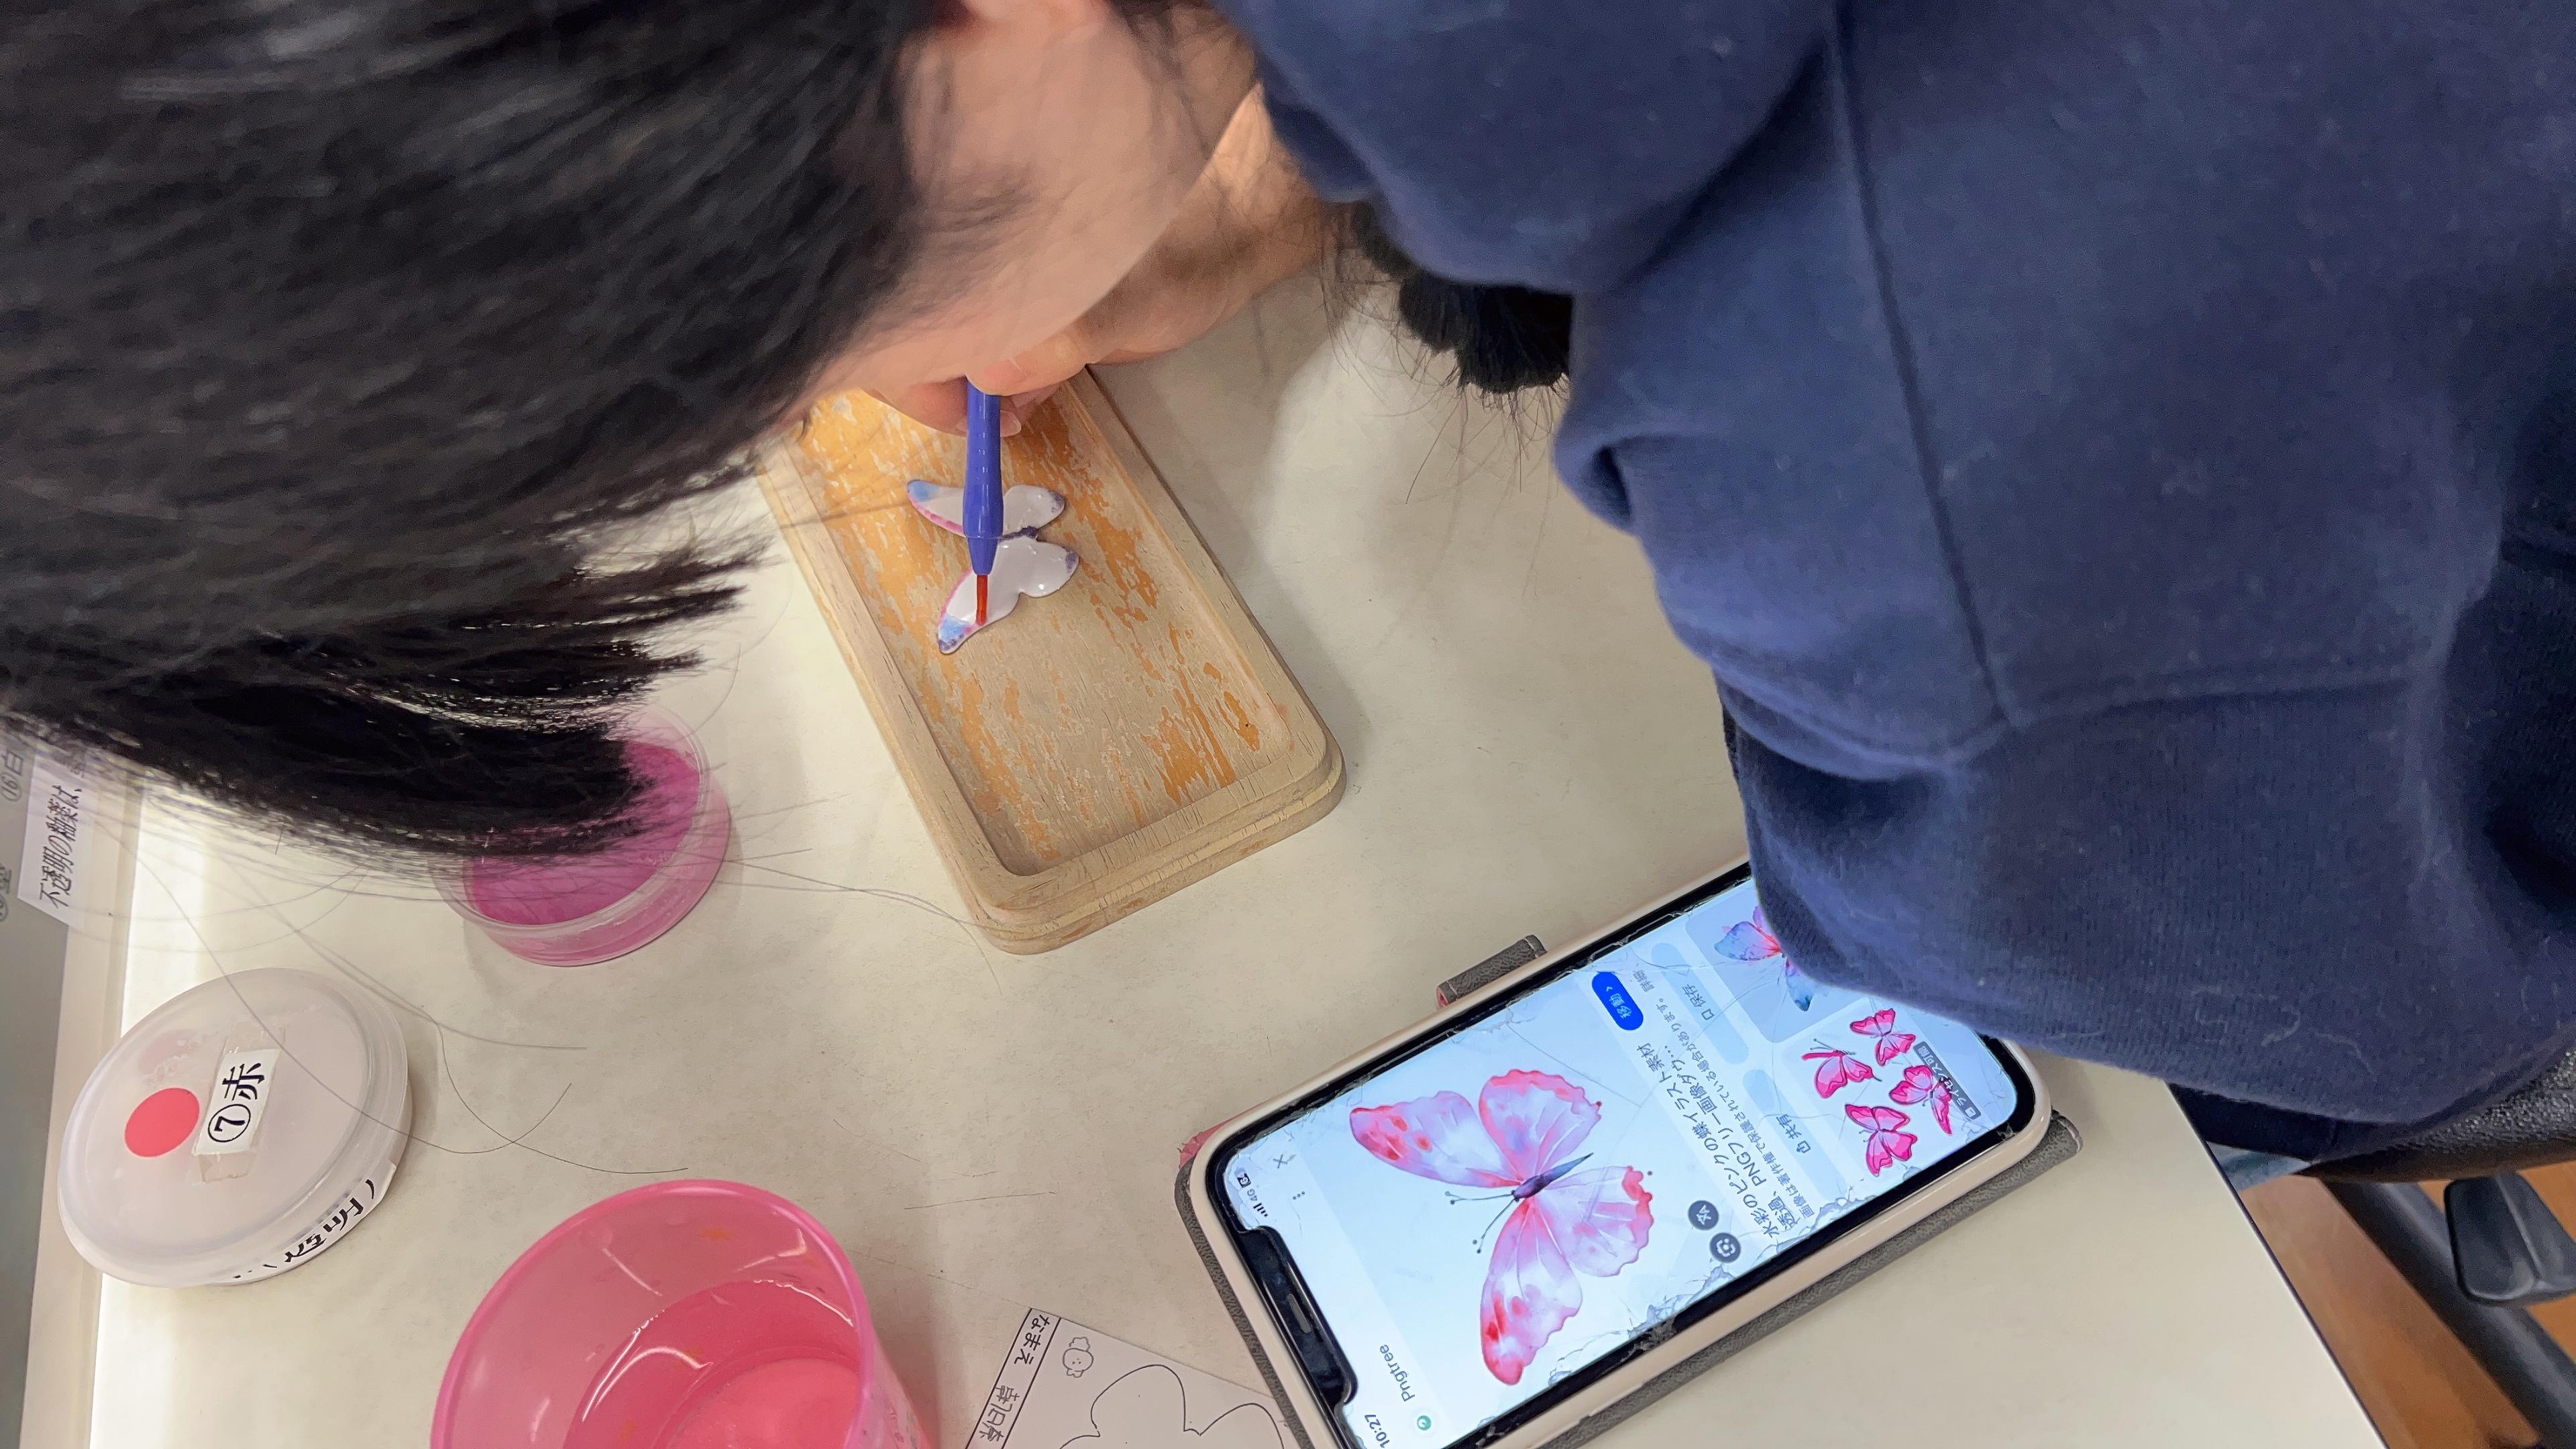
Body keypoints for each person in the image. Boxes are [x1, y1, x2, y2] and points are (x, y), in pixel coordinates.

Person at [6, 0, 2571, 1172]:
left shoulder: (1915, 488)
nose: (865, 399)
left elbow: (2356, 1032)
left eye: (762, 340)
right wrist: (1297, 116)